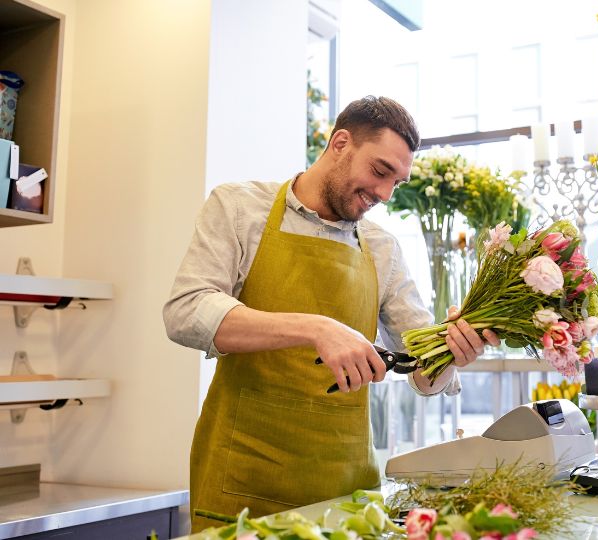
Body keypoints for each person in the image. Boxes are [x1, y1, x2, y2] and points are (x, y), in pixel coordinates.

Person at [163, 96, 499, 531]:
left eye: (396, 182)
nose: (384, 193)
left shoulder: (382, 248)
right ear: (340, 142)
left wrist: (450, 352)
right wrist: (314, 327)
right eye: (380, 172)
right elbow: (186, 310)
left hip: (345, 488)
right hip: (242, 478)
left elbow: (422, 373)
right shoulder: (239, 207)